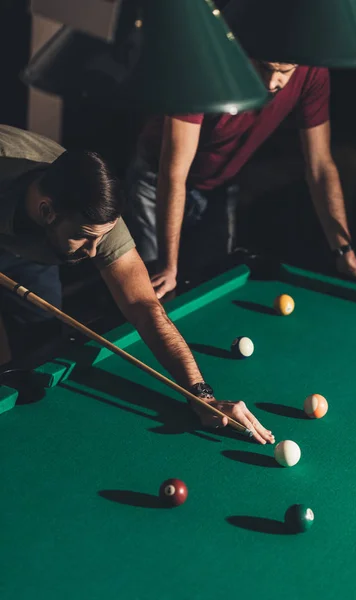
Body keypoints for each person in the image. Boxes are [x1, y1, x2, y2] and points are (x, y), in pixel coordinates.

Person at [0, 124, 273, 444]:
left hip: (33, 252)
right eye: (85, 238)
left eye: (99, 239)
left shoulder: (92, 213)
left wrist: (201, 395)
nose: (93, 252)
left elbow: (145, 309)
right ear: (48, 211)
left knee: (39, 353)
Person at [126, 60, 356, 300]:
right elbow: (174, 173)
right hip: (156, 180)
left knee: (211, 288)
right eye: (264, 68)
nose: (272, 82)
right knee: (153, 292)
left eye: (285, 72)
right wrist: (169, 266)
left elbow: (320, 167)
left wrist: (346, 255)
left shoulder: (313, 71)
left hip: (220, 186)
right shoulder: (205, 65)